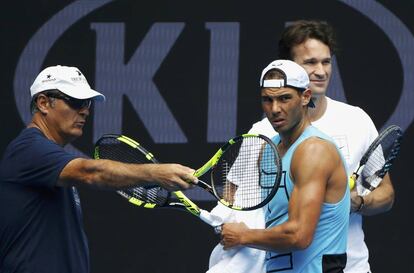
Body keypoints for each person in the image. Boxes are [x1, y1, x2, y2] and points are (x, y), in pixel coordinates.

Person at [0, 65, 197, 273]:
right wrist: (156, 173)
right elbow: (92, 173)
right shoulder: (28, 149)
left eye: (87, 103)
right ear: (43, 103)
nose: (85, 110)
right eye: (75, 102)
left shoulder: (47, 159)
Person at [247, 20, 395, 273]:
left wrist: (358, 202)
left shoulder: (356, 120)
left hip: (351, 267)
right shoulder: (261, 134)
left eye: (326, 62)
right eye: (310, 63)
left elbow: (386, 193)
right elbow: (238, 200)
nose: (321, 71)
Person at [220, 59, 350, 272]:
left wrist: (242, 235)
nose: (275, 109)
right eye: (267, 100)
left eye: (284, 98)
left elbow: (298, 235)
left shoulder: (314, 150)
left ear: (305, 97)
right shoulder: (268, 150)